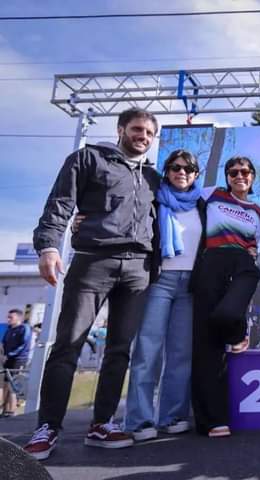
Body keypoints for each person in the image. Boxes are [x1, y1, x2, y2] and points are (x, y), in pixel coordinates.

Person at [26, 107, 160, 460]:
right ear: (120, 129)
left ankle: (102, 424)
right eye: (136, 129)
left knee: (119, 350)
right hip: (92, 262)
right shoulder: (87, 159)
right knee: (68, 344)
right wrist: (50, 246)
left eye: (148, 133)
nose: (142, 136)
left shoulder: (154, 178)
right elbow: (59, 205)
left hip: (138, 270)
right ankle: (48, 427)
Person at [125, 149, 203, 441]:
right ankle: (139, 420)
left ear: (196, 174)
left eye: (188, 168)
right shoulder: (154, 202)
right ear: (167, 172)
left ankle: (173, 416)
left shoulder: (202, 205)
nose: (181, 172)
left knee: (181, 354)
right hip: (159, 282)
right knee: (147, 352)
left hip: (189, 286)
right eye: (175, 167)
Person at [191, 156, 260, 437]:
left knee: (228, 314)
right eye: (233, 172)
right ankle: (212, 420)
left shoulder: (257, 210)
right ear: (227, 176)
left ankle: (237, 335)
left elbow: (254, 241)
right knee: (206, 345)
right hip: (210, 263)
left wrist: (253, 252)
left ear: (252, 176)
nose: (239, 176)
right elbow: (179, 193)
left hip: (242, 264)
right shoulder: (212, 194)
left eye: (245, 172)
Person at [1, 309, 31, 417]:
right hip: (8, 359)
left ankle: (12, 410)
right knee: (5, 384)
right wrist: (4, 355)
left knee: (12, 385)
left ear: (18, 318)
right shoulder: (9, 329)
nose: (8, 319)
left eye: (11, 317)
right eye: (8, 317)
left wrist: (10, 354)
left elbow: (23, 345)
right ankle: (4, 409)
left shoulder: (24, 328)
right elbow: (4, 342)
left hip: (18, 359)